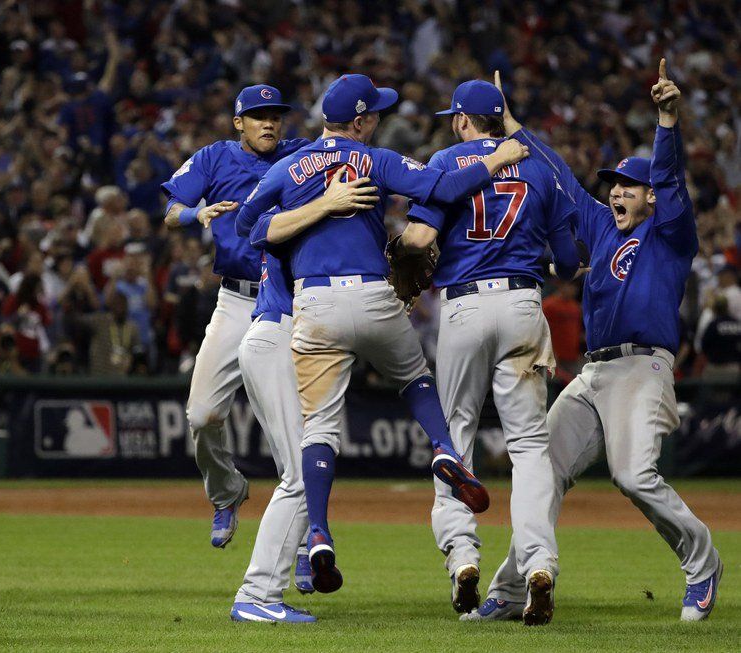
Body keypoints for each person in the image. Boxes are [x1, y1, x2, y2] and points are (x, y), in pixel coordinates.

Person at [236, 73, 529, 593]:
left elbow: (248, 227)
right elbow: (440, 187)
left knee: (320, 429)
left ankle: (321, 534)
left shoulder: (286, 166)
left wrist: (311, 208)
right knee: (415, 377)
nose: (378, 121)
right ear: (362, 120)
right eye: (376, 114)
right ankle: (442, 448)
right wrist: (495, 162)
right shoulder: (374, 160)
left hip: (315, 306)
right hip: (372, 296)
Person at [475, 61, 723, 622]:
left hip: (643, 369)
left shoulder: (670, 234)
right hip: (593, 373)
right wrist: (510, 124)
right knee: (541, 470)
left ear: (652, 197)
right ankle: (511, 589)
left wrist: (666, 120)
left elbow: (670, 177)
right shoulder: (602, 225)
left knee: (634, 476)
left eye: (630, 186)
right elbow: (558, 171)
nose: (617, 191)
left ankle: (702, 564)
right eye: (615, 184)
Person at [396, 79, 580, 625]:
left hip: (464, 308)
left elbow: (418, 242)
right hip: (524, 306)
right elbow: (568, 260)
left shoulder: (447, 161)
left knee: (453, 436)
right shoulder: (539, 166)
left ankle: (462, 559)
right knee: (528, 445)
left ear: (460, 120)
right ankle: (539, 565)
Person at [160, 85, 309, 547]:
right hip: (236, 300)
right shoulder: (213, 158)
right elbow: (170, 211)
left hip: (287, 301)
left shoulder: (301, 155)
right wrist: (196, 215)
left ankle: (305, 537)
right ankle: (227, 493)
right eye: (259, 115)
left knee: (290, 429)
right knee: (202, 414)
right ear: (238, 122)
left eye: (276, 115)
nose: (269, 122)